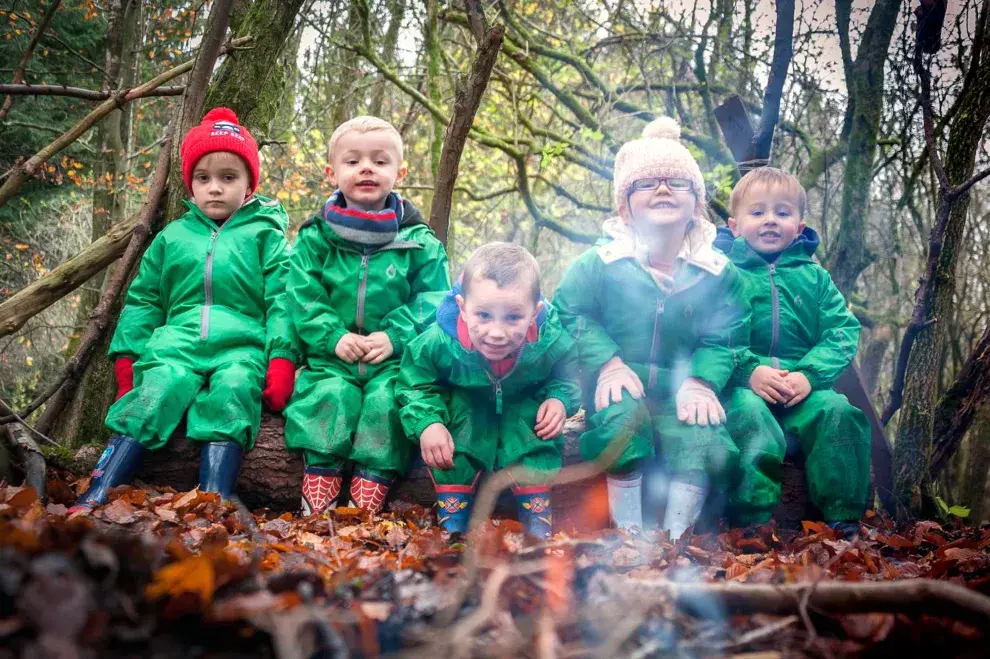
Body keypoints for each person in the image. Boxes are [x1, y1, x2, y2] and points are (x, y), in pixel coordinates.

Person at [554, 117, 780, 539]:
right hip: (620, 386)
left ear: (696, 204)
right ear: (624, 207)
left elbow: (728, 335)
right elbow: (569, 313)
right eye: (647, 183)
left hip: (683, 389)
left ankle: (679, 539)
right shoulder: (600, 264)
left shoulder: (717, 272)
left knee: (703, 433)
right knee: (621, 422)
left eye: (677, 182)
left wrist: (700, 381)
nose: (662, 188)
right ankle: (629, 535)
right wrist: (607, 363)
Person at [71, 108, 298, 512]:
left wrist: (281, 360)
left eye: (229, 177)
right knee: (155, 392)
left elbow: (284, 301)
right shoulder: (171, 237)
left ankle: (216, 495)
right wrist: (127, 359)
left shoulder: (267, 236)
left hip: (241, 346)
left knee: (233, 392)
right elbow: (145, 301)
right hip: (175, 344)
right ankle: (101, 487)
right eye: (203, 178)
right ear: (190, 185)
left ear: (249, 186)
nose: (215, 188)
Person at [283, 116, 450, 515]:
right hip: (331, 360)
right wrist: (332, 336)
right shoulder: (315, 236)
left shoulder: (418, 241)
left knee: (385, 405)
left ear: (400, 172)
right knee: (329, 397)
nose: (366, 169)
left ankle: (366, 501)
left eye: (379, 161)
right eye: (353, 161)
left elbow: (437, 299)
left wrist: (395, 336)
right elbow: (302, 294)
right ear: (332, 172)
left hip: (393, 362)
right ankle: (317, 497)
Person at [715, 167, 870, 536]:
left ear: (799, 227)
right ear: (735, 226)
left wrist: (809, 375)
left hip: (804, 389)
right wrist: (748, 371)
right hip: (745, 386)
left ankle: (842, 517)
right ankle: (751, 520)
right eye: (758, 212)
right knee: (748, 415)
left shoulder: (815, 278)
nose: (770, 220)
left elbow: (842, 330)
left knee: (840, 413)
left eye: (782, 213)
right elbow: (711, 335)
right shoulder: (722, 274)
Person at [396, 243, 581, 538]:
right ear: (463, 308)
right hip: (465, 410)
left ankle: (537, 527)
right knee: (453, 449)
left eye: (512, 318)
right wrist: (427, 422)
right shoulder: (440, 341)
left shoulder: (550, 339)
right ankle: (453, 527)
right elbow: (414, 382)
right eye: (483, 315)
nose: (496, 333)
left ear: (535, 313)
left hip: (521, 409)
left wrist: (559, 399)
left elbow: (568, 374)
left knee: (536, 442)